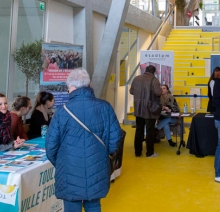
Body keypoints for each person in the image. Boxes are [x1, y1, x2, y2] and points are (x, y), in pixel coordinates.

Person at [46, 68, 122, 212]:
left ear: (73, 87)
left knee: (71, 206)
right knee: (93, 204)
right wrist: (104, 154)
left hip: (69, 168)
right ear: (89, 85)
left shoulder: (62, 111)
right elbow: (116, 136)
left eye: (68, 88)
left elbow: (51, 147)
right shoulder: (105, 107)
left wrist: (62, 162)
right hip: (97, 165)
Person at [130, 65, 162, 158]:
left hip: (138, 108)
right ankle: (149, 153)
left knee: (139, 130)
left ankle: (138, 152)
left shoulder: (136, 79)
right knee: (150, 131)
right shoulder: (154, 80)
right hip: (149, 109)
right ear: (154, 72)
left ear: (145, 70)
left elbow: (131, 91)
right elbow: (158, 93)